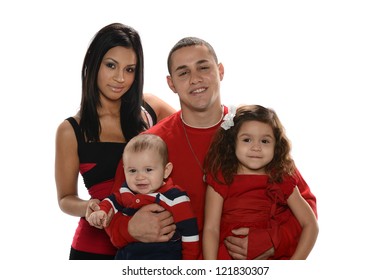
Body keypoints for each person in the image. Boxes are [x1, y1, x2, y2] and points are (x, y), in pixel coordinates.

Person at [105, 37, 317, 260]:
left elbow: (306, 206)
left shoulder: (253, 134)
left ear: (220, 71)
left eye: (203, 67)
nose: (195, 79)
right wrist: (128, 229)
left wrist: (275, 240)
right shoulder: (149, 144)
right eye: (183, 72)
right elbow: (112, 212)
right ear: (171, 83)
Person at [54, 23, 176, 260]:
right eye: (111, 65)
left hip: (151, 250)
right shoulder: (70, 130)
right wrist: (89, 207)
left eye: (130, 69)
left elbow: (194, 133)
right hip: (93, 250)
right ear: (93, 63)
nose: (120, 78)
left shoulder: (150, 110)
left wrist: (235, 116)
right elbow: (65, 198)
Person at [202, 105, 319, 260]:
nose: (256, 147)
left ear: (276, 146)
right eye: (247, 139)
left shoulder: (281, 177)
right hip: (228, 257)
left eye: (264, 141)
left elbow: (311, 225)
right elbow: (211, 229)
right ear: (232, 142)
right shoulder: (221, 177)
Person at [87, 134, 200, 259]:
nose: (140, 177)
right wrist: (101, 211)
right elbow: (110, 201)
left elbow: (190, 233)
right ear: (124, 171)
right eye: (133, 171)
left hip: (163, 256)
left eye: (148, 170)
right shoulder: (126, 192)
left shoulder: (175, 197)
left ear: (166, 170)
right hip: (127, 255)